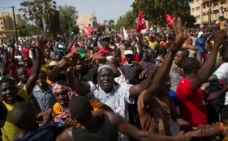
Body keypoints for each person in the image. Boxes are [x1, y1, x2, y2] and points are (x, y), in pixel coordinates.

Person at [0, 39, 45, 141]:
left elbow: (33, 77)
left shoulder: (22, 96)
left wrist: (39, 54)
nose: (9, 92)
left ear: (16, 88)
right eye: (4, 90)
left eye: (11, 88)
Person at [138, 17, 192, 136]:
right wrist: (172, 51)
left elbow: (176, 117)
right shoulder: (146, 97)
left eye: (169, 80)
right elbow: (157, 84)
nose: (169, 83)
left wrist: (195, 130)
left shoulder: (166, 97)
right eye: (165, 81)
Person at [56, 95, 191, 141]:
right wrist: (174, 139)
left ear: (72, 116)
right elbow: (141, 135)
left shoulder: (67, 136)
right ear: (92, 108)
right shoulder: (108, 117)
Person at [176, 26, 227, 126]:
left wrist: (224, 89)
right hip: (194, 131)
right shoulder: (185, 86)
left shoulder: (194, 86)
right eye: (200, 68)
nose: (201, 70)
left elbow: (207, 98)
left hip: (203, 129)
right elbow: (202, 77)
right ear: (195, 70)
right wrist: (216, 45)